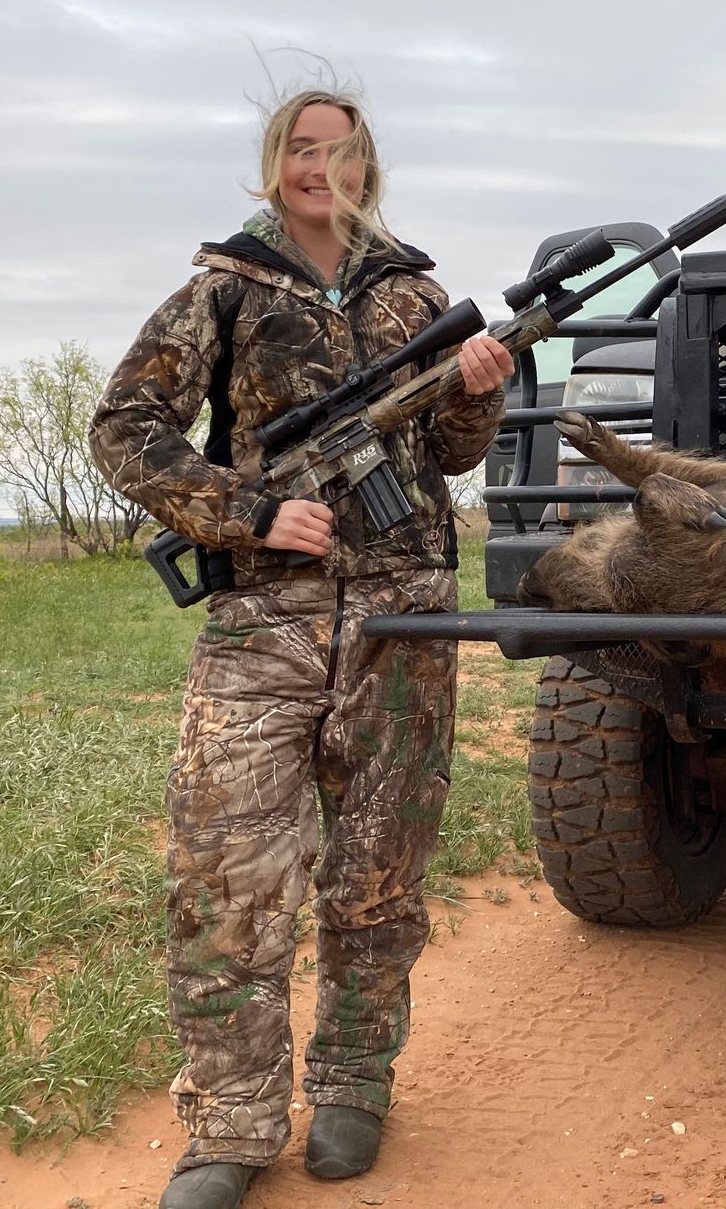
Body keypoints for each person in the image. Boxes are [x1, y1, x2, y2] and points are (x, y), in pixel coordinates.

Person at [90, 88, 513, 1209]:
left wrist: (478, 396)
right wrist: (249, 513)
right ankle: (230, 1126)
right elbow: (123, 426)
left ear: (370, 166)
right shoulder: (223, 290)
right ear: (275, 163)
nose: (323, 168)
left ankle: (353, 1086)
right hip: (261, 625)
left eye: (344, 151)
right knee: (225, 875)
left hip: (404, 619)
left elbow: (450, 458)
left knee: (379, 874)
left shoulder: (417, 295)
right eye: (302, 150)